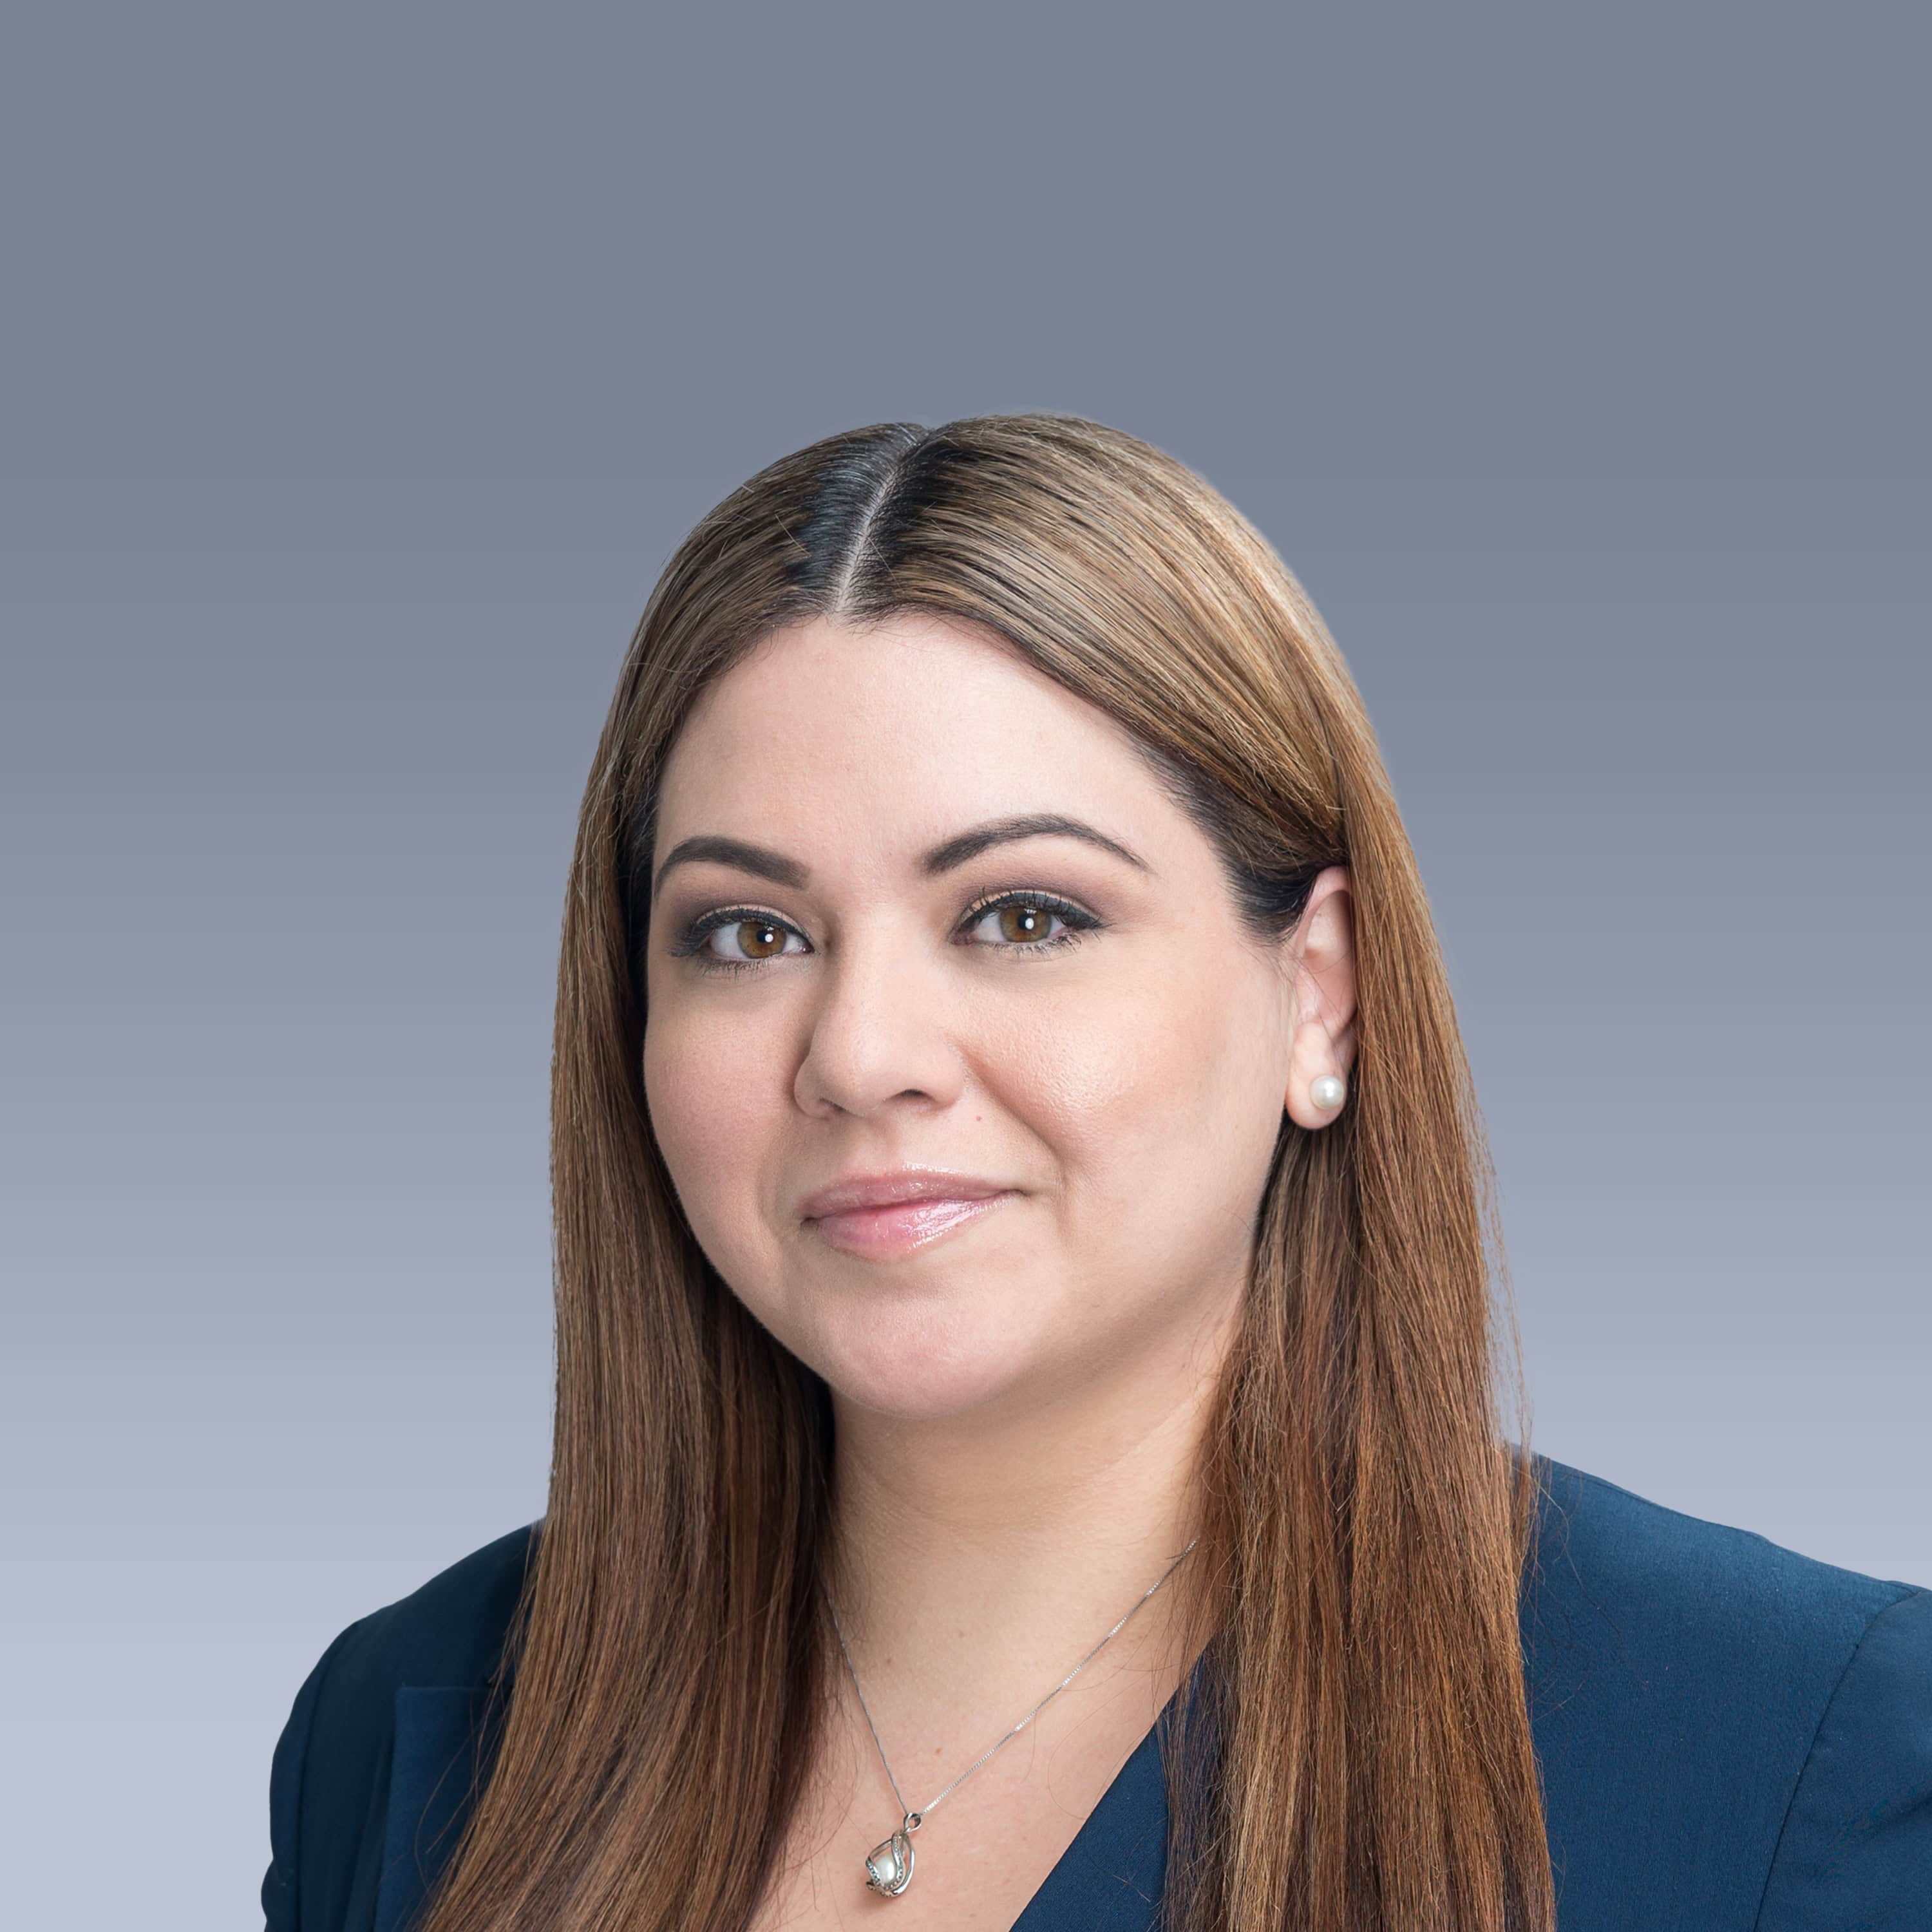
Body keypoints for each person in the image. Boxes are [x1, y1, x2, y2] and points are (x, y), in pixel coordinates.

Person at [260, 415, 1931, 1932]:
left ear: (1318, 993)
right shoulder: (404, 1729)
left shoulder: (1803, 1752)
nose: (859, 1053)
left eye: (1021, 916)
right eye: (750, 931)